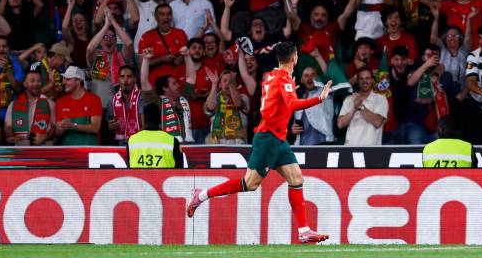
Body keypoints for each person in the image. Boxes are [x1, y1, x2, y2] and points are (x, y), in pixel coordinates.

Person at [187, 42, 332, 244]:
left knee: (296, 179)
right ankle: (201, 195)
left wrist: (289, 91)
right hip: (268, 138)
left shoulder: (272, 76)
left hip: (278, 138)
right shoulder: (283, 79)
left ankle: (304, 231)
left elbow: (276, 104)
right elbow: (291, 104)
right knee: (249, 184)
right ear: (295, 58)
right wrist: (319, 98)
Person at [55, 66, 103, 145]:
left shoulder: (94, 99)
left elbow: (95, 127)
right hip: (68, 151)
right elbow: (58, 134)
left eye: (68, 79)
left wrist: (73, 125)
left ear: (78, 80)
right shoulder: (60, 102)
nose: (64, 82)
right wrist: (59, 128)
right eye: (64, 79)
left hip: (90, 151)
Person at [127, 103, 184, 169]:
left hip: (138, 179)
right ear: (160, 118)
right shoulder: (173, 141)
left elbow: (129, 167)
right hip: (164, 179)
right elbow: (180, 170)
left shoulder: (131, 140)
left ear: (144, 119)